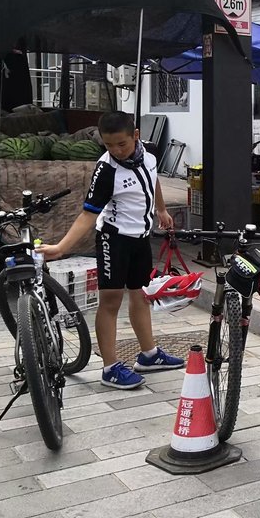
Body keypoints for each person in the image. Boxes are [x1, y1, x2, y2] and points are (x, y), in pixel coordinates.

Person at [38, 111, 184, 389]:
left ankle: (149, 355)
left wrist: (161, 209)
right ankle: (110, 368)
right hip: (113, 240)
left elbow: (153, 180)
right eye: (109, 145)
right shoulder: (106, 170)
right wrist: (60, 248)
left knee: (141, 295)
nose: (116, 150)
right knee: (111, 301)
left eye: (122, 144)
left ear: (136, 136)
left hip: (141, 238)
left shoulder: (149, 156)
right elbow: (87, 215)